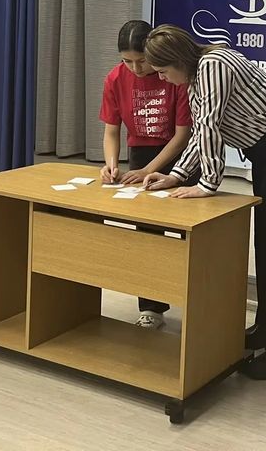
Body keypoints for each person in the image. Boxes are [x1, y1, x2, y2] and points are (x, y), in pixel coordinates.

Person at [143, 25, 266, 381]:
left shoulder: (213, 65)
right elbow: (200, 133)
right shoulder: (197, 77)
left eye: (163, 71)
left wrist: (207, 184)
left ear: (178, 60)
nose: (163, 79)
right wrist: (177, 175)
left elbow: (211, 126)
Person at [99, 20, 192, 330]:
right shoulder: (115, 78)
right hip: (141, 153)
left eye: (142, 60)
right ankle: (151, 306)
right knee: (147, 232)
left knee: (188, 229)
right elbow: (112, 131)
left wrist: (149, 170)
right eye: (127, 61)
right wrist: (111, 164)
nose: (136, 68)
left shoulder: (173, 75)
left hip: (180, 157)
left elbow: (182, 136)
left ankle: (195, 302)